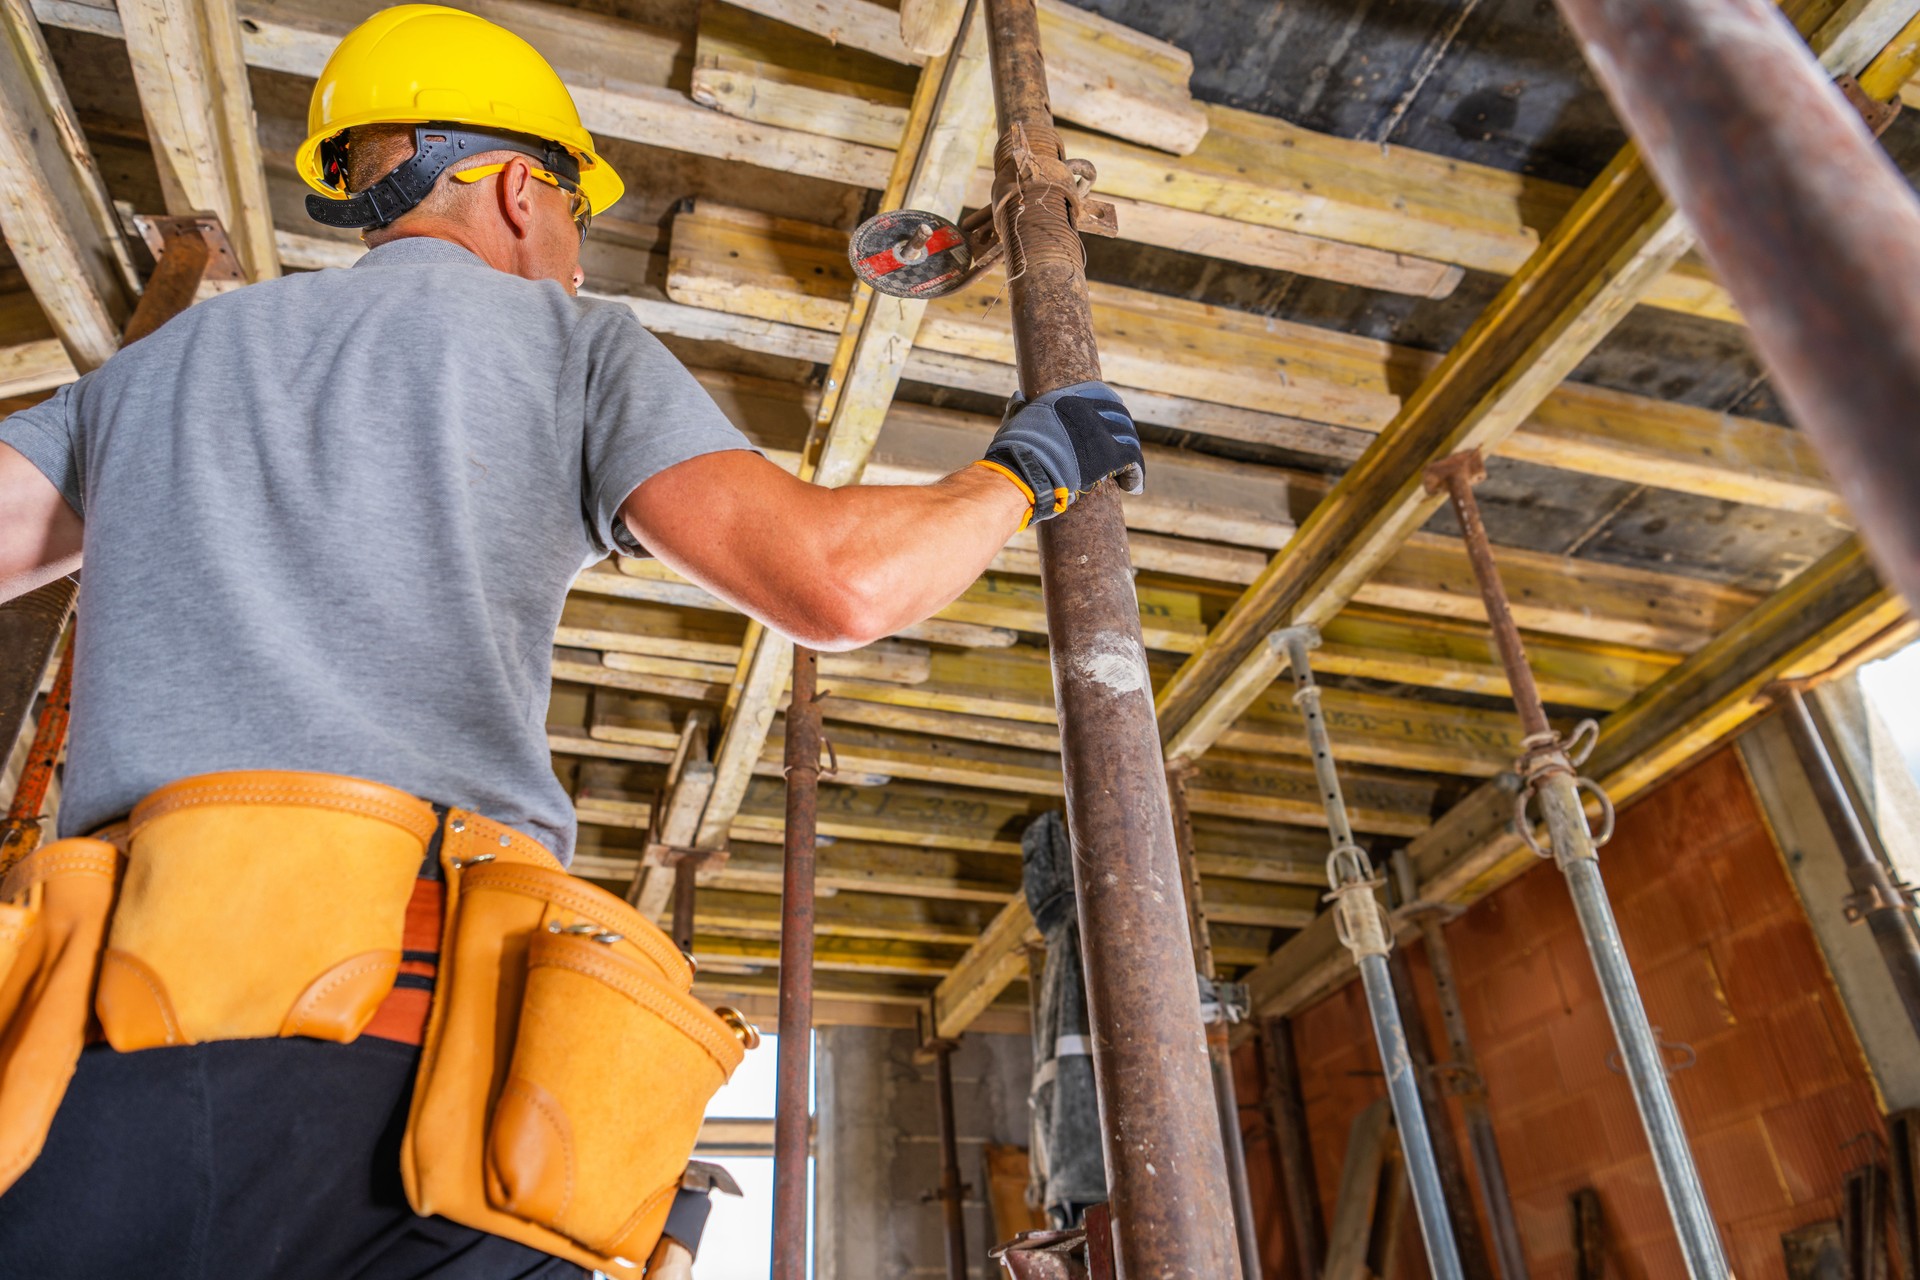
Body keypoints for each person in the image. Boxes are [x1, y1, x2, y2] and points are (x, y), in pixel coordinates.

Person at [0, 4, 1143, 1276]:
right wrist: (1021, 472)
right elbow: (839, 585)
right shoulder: (568, 344)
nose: (579, 258)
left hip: (91, 1071)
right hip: (395, 1066)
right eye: (574, 213)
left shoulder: (166, 361)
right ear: (509, 184)